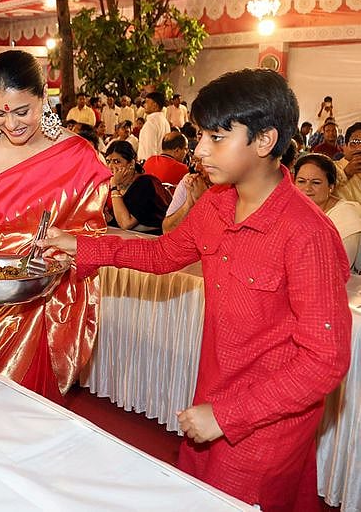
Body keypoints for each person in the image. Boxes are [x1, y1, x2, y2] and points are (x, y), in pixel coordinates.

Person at [39, 69, 351, 512]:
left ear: (265, 141)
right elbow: (161, 255)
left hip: (268, 421)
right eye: (201, 135)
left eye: (217, 138)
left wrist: (228, 416)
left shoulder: (307, 234)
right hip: (216, 392)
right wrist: (83, 245)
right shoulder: (218, 204)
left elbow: (325, 360)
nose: (200, 150)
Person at [0, 50, 111, 404]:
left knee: (29, 408)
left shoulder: (77, 157)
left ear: (44, 98)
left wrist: (54, 256)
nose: (11, 124)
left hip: (42, 300)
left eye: (23, 111)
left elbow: (90, 235)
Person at [294, 153, 361, 271]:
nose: (307, 189)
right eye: (301, 181)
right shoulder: (292, 212)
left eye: (316, 183)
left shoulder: (346, 215)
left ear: (331, 186)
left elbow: (337, 266)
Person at [105, 140, 170, 235]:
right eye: (108, 161)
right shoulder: (114, 184)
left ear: (131, 164)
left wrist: (114, 188)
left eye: (116, 161)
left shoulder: (146, 183)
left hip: (152, 239)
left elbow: (126, 223)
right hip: (126, 237)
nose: (110, 166)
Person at [137, 91, 171, 161]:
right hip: (161, 163)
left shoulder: (151, 124)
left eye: (147, 102)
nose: (144, 105)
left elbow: (150, 152)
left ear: (155, 105)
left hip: (150, 165)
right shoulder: (165, 122)